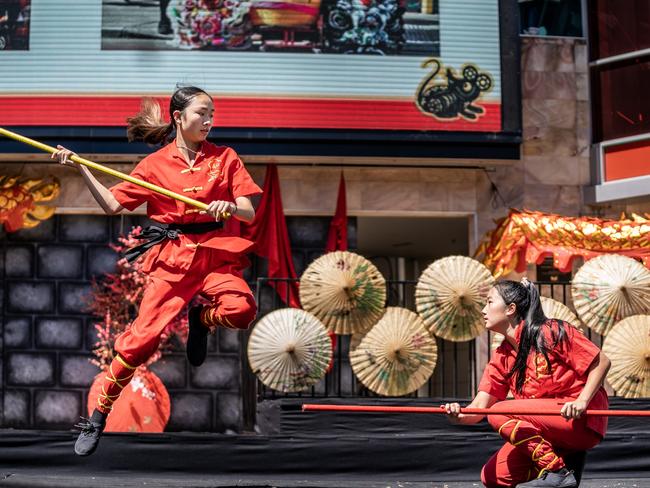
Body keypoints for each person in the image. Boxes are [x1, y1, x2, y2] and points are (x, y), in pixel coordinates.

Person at [53, 85, 262, 457]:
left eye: (212, 113)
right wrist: (82, 167)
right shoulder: (154, 166)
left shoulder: (225, 157)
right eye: (202, 113)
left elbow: (248, 211)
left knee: (242, 310)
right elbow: (112, 204)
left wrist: (227, 207)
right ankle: (98, 416)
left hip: (215, 252)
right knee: (141, 342)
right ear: (179, 118)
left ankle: (204, 318)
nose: (209, 120)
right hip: (173, 259)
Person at [444, 279, 610, 488]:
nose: (483, 310)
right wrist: (459, 415)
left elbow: (601, 361)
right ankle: (567, 461)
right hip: (548, 428)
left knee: (499, 411)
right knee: (493, 477)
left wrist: (582, 401)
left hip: (580, 420)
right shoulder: (501, 356)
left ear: (510, 309)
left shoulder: (551, 331)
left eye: (489, 302)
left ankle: (556, 470)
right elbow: (479, 408)